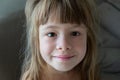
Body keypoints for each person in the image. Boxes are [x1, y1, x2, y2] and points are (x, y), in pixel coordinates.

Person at [20, 0, 99, 80]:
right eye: (51, 34)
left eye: (75, 33)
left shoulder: (87, 71)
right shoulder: (32, 78)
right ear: (37, 39)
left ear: (88, 36)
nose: (64, 46)